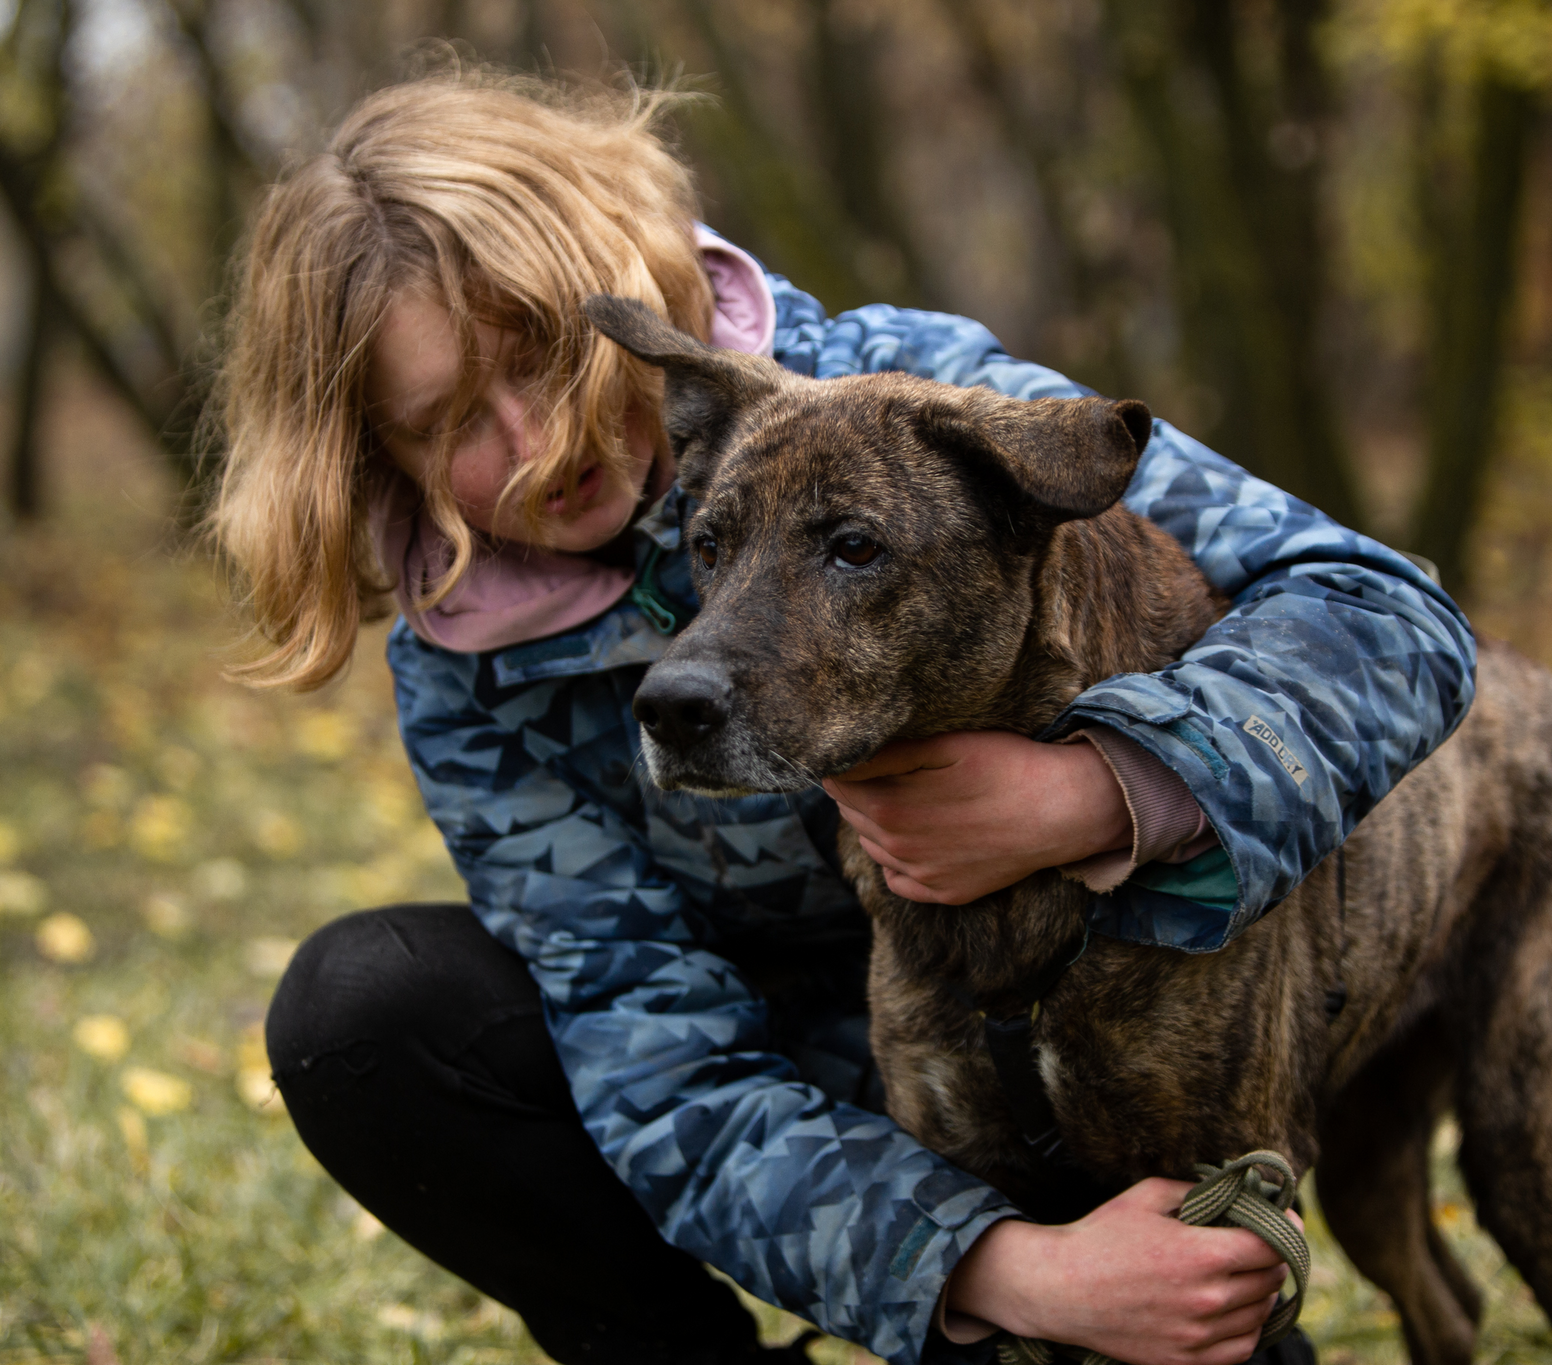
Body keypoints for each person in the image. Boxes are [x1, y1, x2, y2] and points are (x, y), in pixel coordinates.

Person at [210, 70, 1476, 1365]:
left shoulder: (912, 396)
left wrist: (1101, 789)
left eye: (538, 350)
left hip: (1086, 1051)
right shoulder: (464, 661)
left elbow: (1390, 619)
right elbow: (657, 1065)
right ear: (383, 462)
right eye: (447, 422)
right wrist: (1001, 1273)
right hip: (834, 1091)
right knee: (366, 1017)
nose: (532, 441)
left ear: (632, 285)